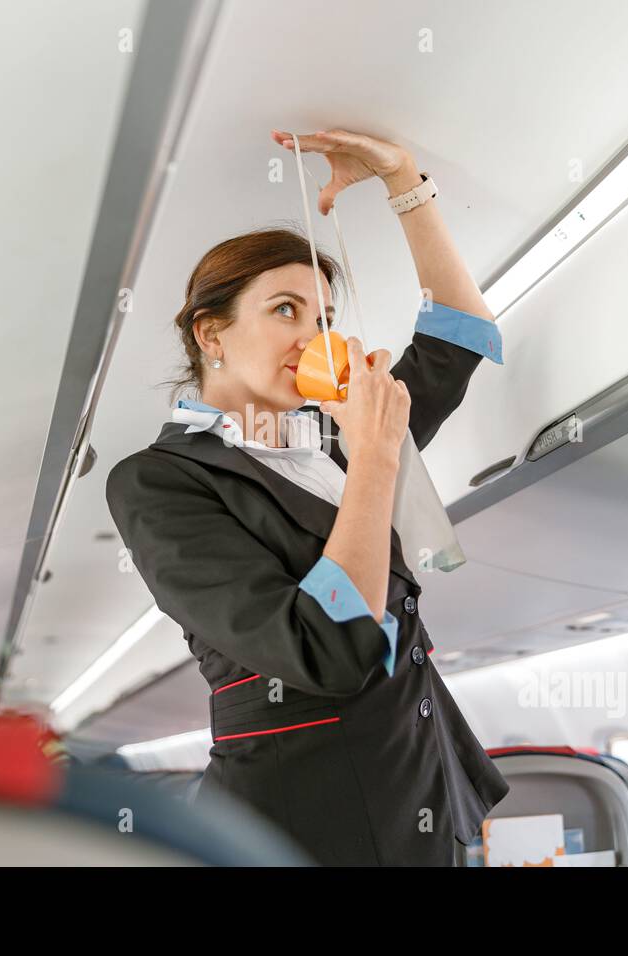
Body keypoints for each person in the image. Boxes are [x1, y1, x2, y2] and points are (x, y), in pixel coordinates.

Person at [105, 128, 509, 865]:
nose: (312, 337)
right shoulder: (159, 481)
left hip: (418, 790)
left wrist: (403, 181)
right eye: (285, 310)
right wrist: (378, 456)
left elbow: (463, 335)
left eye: (323, 318)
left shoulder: (334, 435)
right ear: (211, 333)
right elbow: (331, 649)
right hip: (300, 821)